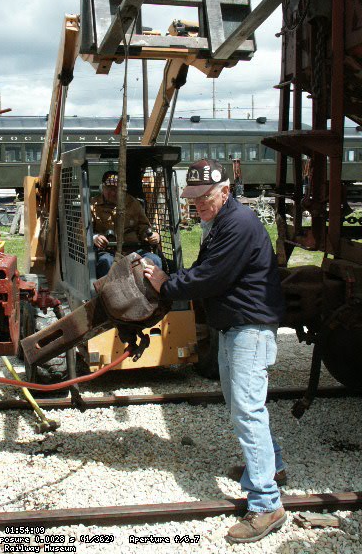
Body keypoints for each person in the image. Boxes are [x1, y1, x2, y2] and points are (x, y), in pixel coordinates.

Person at [143, 159, 287, 544]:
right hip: (236, 325)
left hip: (249, 329)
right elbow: (208, 268)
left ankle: (266, 504)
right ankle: (272, 466)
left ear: (225, 192)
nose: (198, 205)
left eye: (204, 198)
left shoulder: (237, 224)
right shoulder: (221, 221)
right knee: (243, 404)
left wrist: (165, 284)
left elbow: (210, 276)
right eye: (193, 199)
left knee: (246, 408)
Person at [91, 170, 162, 278]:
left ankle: (151, 293)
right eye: (109, 189)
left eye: (117, 189)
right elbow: (81, 230)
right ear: (102, 188)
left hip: (133, 250)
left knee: (154, 260)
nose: (113, 193)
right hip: (108, 251)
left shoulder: (133, 203)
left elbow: (144, 227)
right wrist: (95, 237)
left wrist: (152, 236)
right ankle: (107, 293)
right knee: (105, 261)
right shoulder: (93, 205)